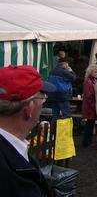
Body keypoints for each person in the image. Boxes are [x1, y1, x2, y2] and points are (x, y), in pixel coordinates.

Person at [0, 65, 55, 196]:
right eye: (42, 100)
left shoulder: (13, 149)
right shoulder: (8, 171)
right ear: (29, 109)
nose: (43, 105)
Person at [82, 64, 97, 147]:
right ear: (90, 72)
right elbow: (88, 95)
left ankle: (88, 141)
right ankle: (86, 142)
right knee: (89, 124)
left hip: (91, 105)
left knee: (90, 124)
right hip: (90, 106)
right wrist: (93, 105)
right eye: (95, 72)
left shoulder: (93, 80)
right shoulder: (88, 81)